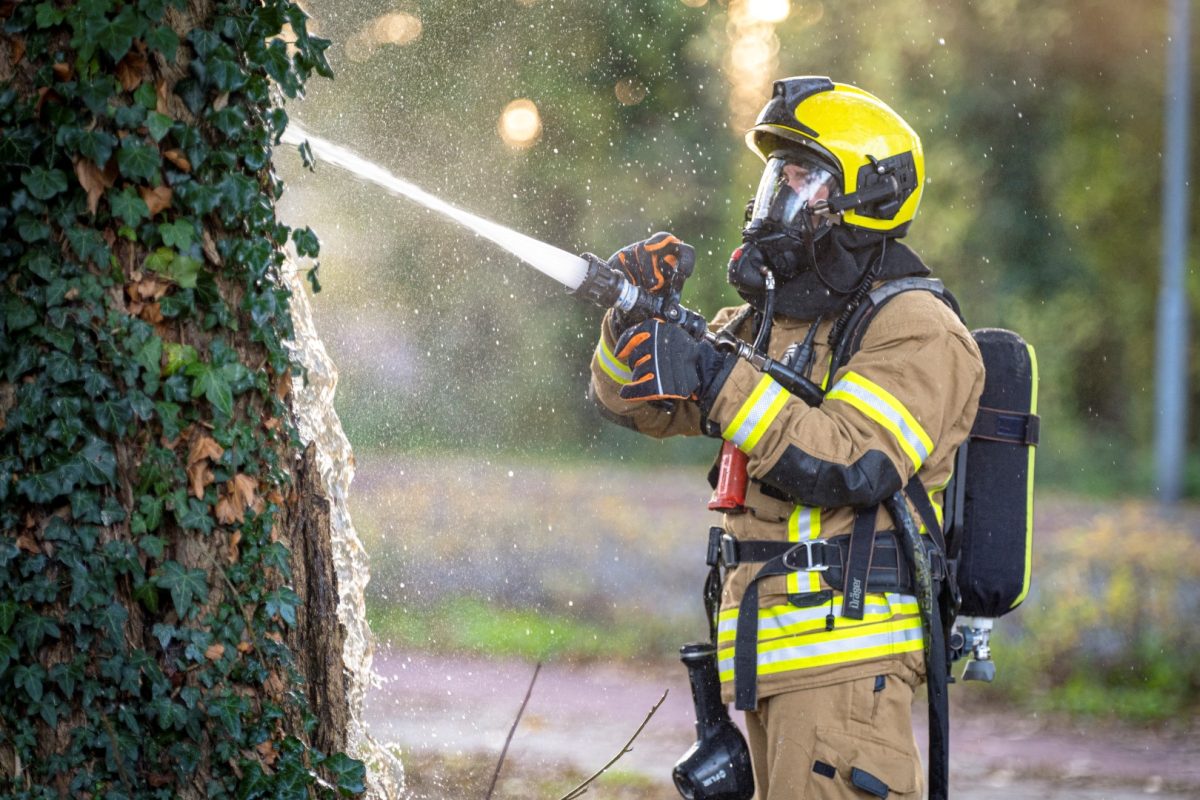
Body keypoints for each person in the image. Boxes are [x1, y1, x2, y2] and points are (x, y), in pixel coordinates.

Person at [588, 76, 985, 799]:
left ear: (870, 200)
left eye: (807, 179)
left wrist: (716, 380)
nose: (781, 196)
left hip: (843, 673)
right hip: (773, 665)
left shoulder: (917, 327)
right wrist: (630, 320)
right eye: (779, 176)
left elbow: (848, 459)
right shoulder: (779, 323)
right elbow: (634, 404)